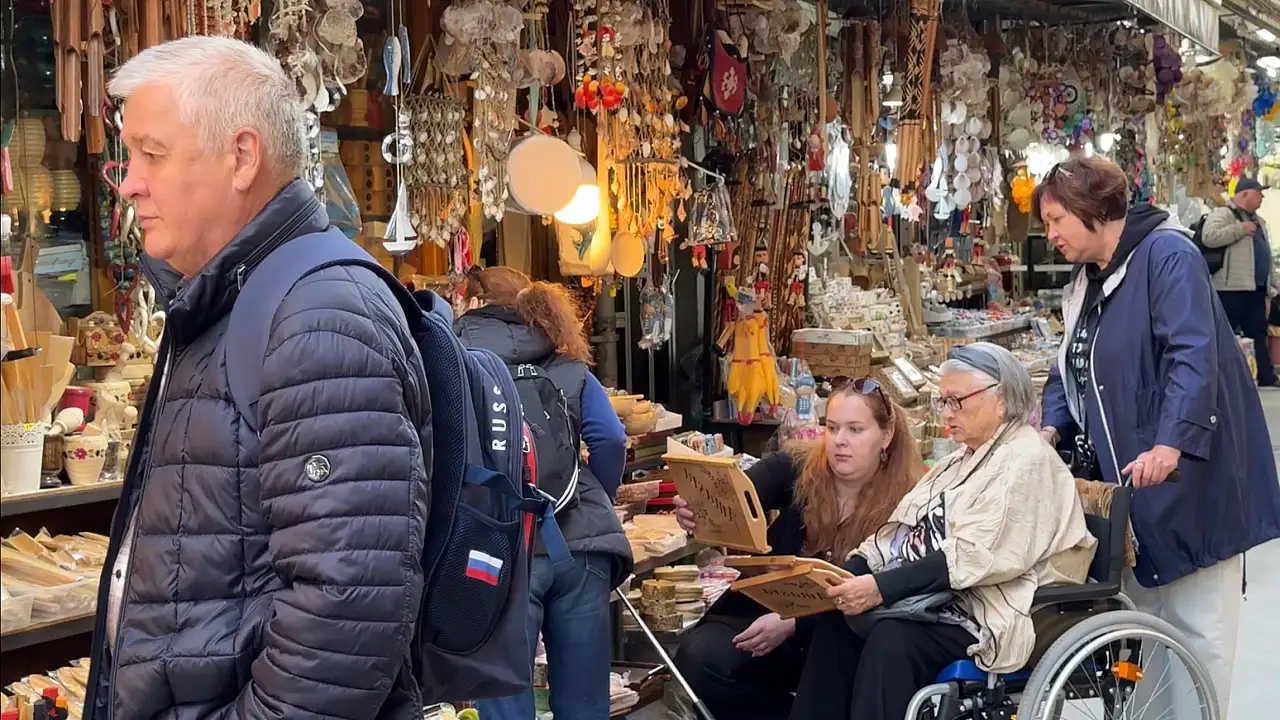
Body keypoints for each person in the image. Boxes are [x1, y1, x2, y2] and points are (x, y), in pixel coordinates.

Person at [82, 38, 430, 719]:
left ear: (241, 157)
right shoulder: (224, 301)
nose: (129, 182)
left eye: (152, 153)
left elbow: (346, 614)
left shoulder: (318, 317)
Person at [1037, 156, 1280, 717]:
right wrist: (1052, 425)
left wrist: (1172, 443)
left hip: (1189, 480)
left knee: (1199, 633)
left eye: (1056, 220)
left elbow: (1193, 356)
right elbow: (1069, 364)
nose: (1049, 236)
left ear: (1097, 211)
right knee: (1141, 637)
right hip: (1132, 487)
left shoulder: (1168, 256)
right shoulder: (1087, 281)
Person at [794, 345, 1094, 720]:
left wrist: (879, 588)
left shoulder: (1025, 460)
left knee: (893, 641)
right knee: (835, 625)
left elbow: (973, 556)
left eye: (956, 401)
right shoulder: (959, 459)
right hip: (944, 598)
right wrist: (849, 573)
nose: (947, 413)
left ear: (999, 399)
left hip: (991, 609)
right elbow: (900, 533)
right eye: (943, 401)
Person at [671, 378, 924, 720]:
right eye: (832, 428)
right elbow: (737, 495)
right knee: (699, 657)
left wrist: (794, 623)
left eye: (855, 429)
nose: (840, 442)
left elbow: (885, 590)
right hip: (762, 609)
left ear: (887, 435)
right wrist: (699, 509)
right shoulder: (797, 467)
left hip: (839, 631)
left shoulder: (909, 500)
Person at [457, 267, 631, 720]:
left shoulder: (458, 365)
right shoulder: (568, 365)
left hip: (501, 546)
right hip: (581, 545)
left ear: (475, 305)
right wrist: (593, 494)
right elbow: (610, 438)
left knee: (503, 698)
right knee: (586, 704)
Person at [1200, 177, 1277, 386]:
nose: (1262, 198)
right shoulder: (1223, 214)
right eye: (1258, 193)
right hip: (1230, 288)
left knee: (1258, 332)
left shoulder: (1259, 221)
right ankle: (1214, 376)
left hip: (1255, 288)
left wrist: (1273, 282)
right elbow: (1209, 236)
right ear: (1245, 194)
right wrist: (1239, 229)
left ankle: (1266, 375)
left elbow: (1264, 254)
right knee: (1224, 334)